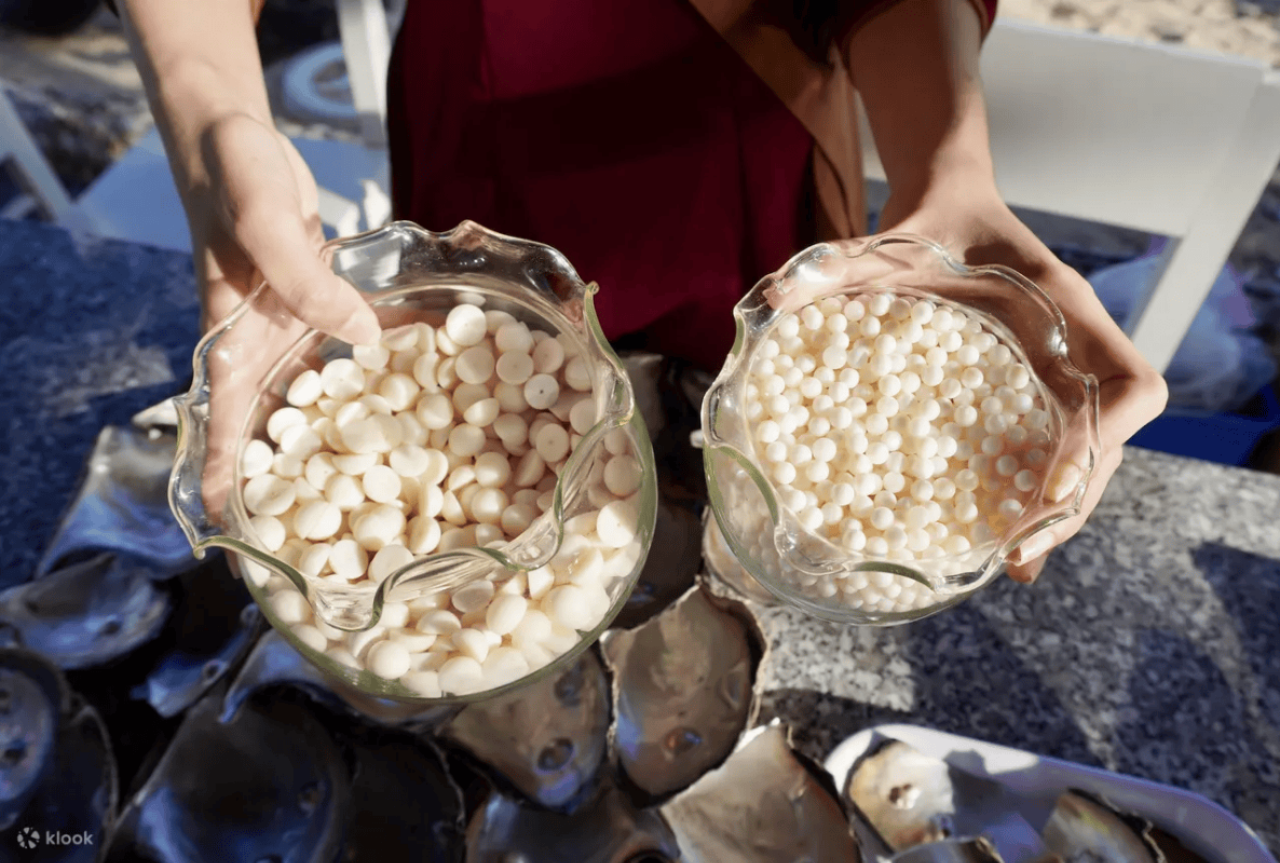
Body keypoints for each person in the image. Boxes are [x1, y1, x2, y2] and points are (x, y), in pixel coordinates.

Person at [118, 0, 1167, 582]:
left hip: (743, 126)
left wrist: (949, 171)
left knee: (752, 447)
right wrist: (215, 120)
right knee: (484, 422)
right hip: (486, 104)